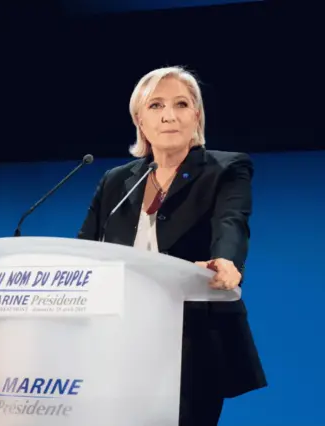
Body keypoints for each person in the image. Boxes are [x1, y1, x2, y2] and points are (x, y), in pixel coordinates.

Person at [77, 66, 267, 426]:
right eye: (156, 106)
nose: (169, 116)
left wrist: (226, 261)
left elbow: (231, 221)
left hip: (193, 342)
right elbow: (85, 247)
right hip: (120, 338)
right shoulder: (117, 181)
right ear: (139, 120)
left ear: (196, 115)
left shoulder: (225, 169)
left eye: (181, 104)